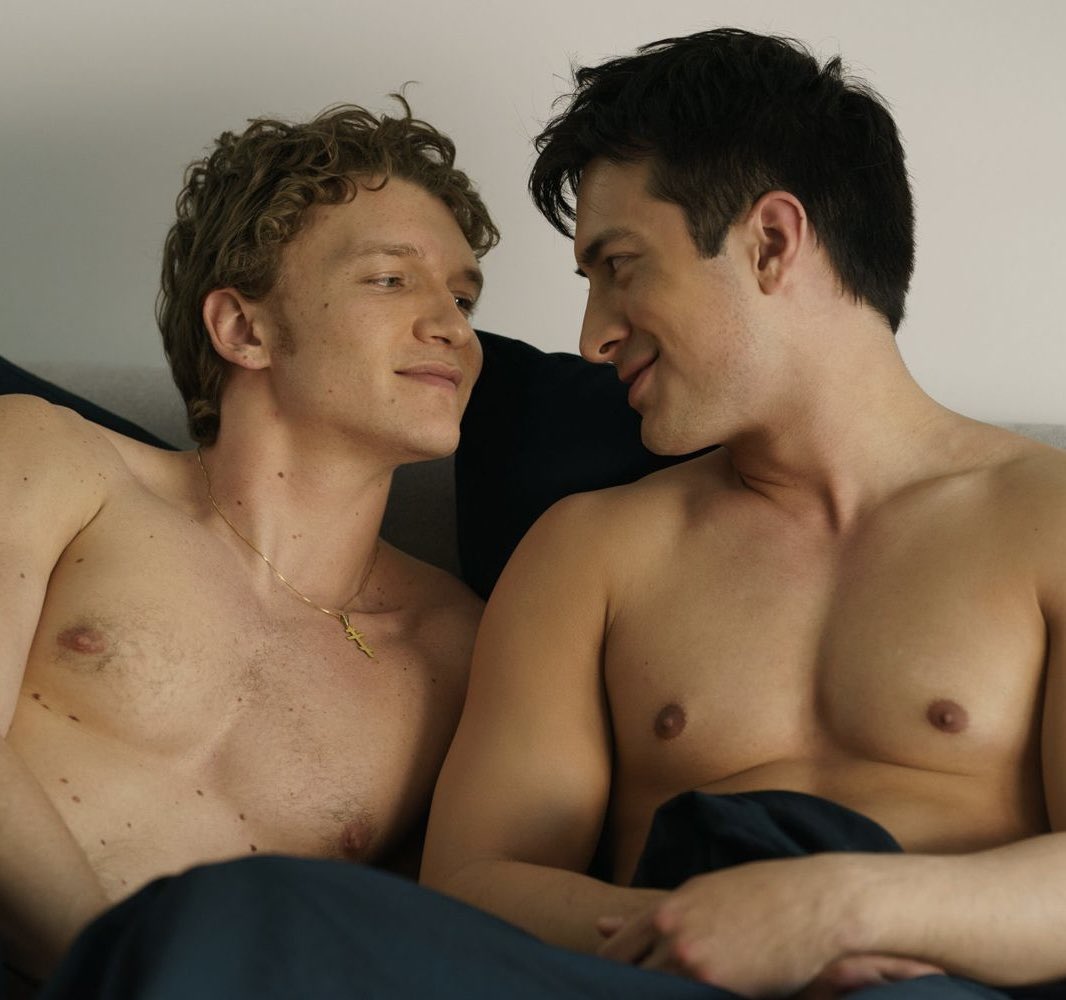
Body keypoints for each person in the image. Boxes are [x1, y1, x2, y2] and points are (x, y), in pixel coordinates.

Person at [420, 27, 1066, 997]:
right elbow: (470, 883)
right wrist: (692, 933)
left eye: (620, 265)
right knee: (248, 905)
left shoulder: (1048, 520)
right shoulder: (588, 550)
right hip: (651, 982)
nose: (593, 337)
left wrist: (831, 913)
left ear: (770, 242)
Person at [0, 99, 495, 990]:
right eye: (392, 279)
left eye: (463, 297)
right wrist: (116, 977)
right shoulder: (55, 461)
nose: (453, 327)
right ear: (244, 329)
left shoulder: (458, 647)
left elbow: (412, 950)